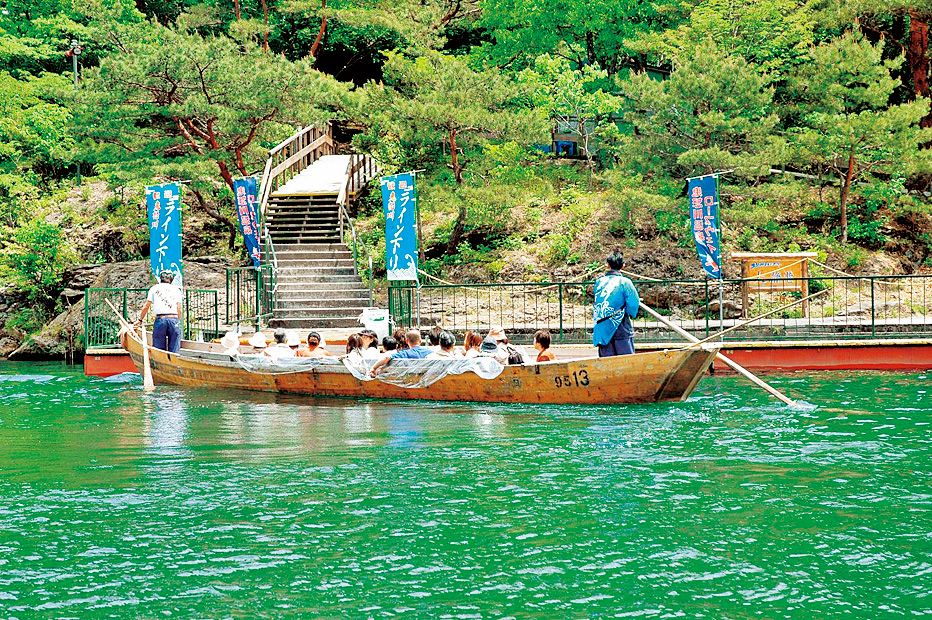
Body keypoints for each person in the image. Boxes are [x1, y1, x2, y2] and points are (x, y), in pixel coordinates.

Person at [592, 249, 640, 356]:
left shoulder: (599, 281)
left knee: (606, 361)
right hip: (620, 325)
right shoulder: (625, 282)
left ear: (608, 265)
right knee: (626, 360)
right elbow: (633, 304)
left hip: (601, 326)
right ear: (623, 266)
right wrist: (631, 314)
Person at [135, 270, 183, 353]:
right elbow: (179, 309)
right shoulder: (176, 290)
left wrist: (140, 320)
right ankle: (174, 360)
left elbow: (146, 306)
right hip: (174, 319)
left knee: (159, 349)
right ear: (171, 279)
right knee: (174, 349)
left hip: (161, 319)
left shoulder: (154, 288)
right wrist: (177, 320)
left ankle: (160, 360)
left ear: (160, 278)